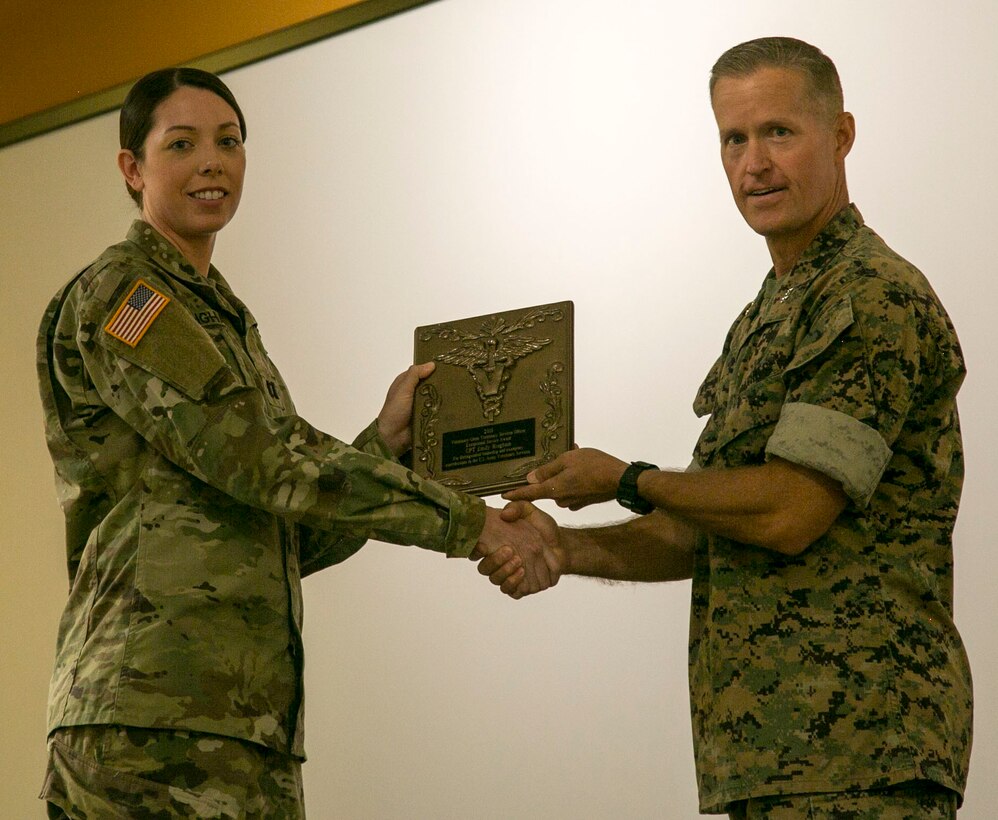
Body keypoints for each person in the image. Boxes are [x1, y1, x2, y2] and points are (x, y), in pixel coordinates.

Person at [36, 67, 556, 818]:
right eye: (181, 143)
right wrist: (470, 522)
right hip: (150, 724)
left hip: (236, 724)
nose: (212, 161)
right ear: (132, 168)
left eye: (229, 141)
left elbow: (281, 537)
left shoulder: (221, 315)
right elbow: (261, 458)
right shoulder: (129, 298)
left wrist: (383, 444)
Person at [483, 36, 973, 818]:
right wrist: (563, 547)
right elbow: (698, 529)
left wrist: (626, 479)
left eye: (779, 132)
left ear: (841, 135)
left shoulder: (873, 297)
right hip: (770, 761)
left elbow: (788, 511)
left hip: (862, 758)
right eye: (734, 139)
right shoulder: (766, 316)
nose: (755, 164)